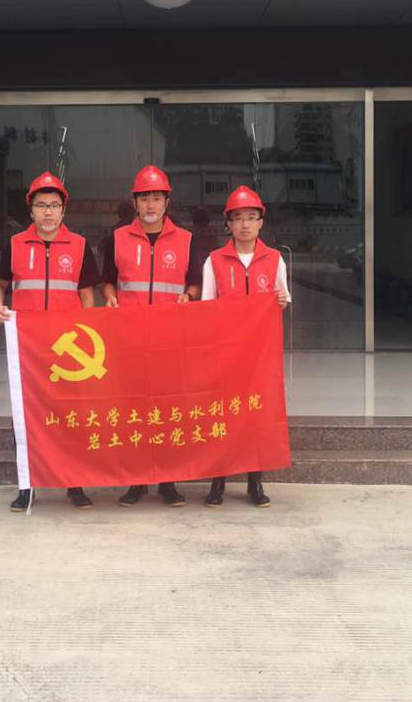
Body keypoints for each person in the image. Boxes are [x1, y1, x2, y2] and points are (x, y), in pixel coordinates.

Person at [0, 171, 99, 513]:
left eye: (53, 205)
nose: (48, 212)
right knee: (27, 417)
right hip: (29, 349)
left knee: (71, 415)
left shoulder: (79, 246)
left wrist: (86, 327)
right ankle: (27, 487)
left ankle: (74, 484)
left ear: (63, 210)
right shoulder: (15, 245)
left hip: (69, 350)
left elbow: (87, 294)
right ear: (31, 210)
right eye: (41, 205)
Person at [101, 165, 201, 508]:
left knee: (167, 410)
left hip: (169, 340)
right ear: (134, 202)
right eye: (144, 198)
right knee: (133, 410)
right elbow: (107, 280)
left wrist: (188, 295)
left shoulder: (186, 240)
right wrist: (110, 297)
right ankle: (137, 481)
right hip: (129, 340)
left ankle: (168, 482)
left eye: (156, 198)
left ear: (167, 201)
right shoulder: (116, 238)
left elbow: (195, 282)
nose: (150, 204)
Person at [199, 185, 290, 509]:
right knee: (222, 416)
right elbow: (206, 307)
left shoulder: (275, 259)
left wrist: (281, 300)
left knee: (256, 415)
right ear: (229, 224)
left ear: (261, 222)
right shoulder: (214, 261)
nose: (245, 224)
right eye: (238, 218)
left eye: (251, 217)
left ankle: (255, 481)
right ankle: (218, 481)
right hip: (225, 354)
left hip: (260, 355)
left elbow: (283, 298)